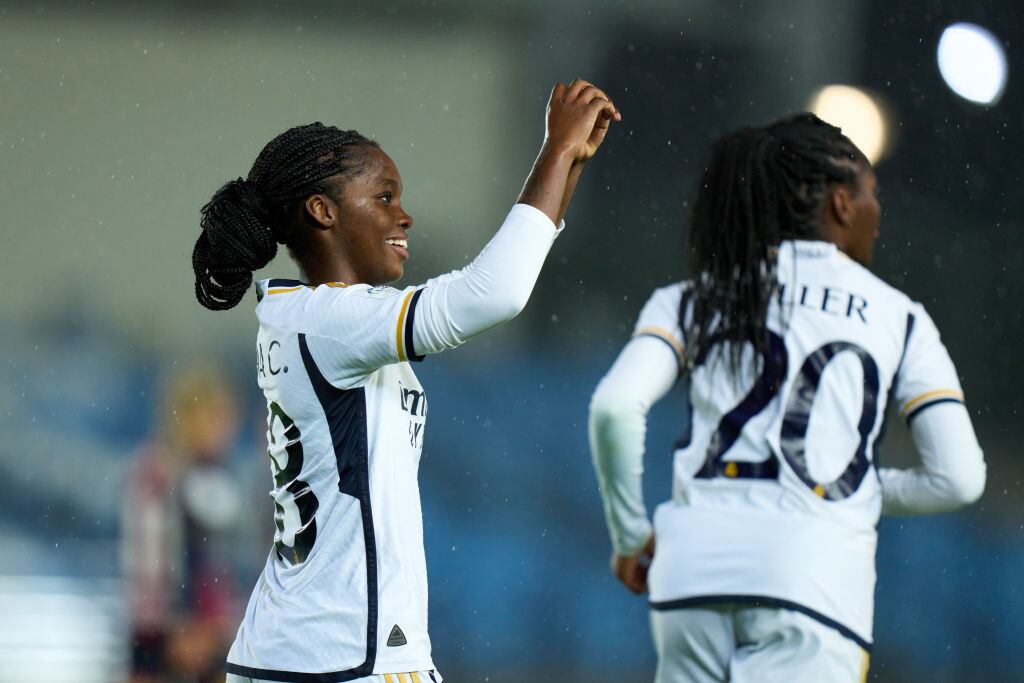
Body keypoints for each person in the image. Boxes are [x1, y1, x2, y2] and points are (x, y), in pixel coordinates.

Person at [192, 79, 620, 683]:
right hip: (340, 656)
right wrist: (552, 151)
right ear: (323, 211)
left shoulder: (308, 316)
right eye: (385, 197)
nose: (404, 215)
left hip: (312, 649)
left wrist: (568, 162)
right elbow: (492, 293)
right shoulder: (332, 321)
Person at [588, 113, 986, 683]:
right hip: (813, 585)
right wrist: (852, 489)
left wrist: (630, 534)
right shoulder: (901, 319)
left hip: (690, 576)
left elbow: (614, 407)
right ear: (842, 204)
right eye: (872, 195)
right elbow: (960, 479)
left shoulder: (692, 297)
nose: (879, 213)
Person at [123, 367, 245, 683]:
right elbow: (153, 559)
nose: (226, 431)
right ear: (189, 419)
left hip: (207, 622)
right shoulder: (160, 472)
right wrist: (177, 622)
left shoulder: (214, 474)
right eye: (216, 420)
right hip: (165, 627)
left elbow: (220, 558)